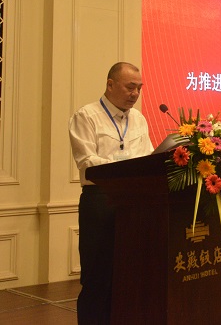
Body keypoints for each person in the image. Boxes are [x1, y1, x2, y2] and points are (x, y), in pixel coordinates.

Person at [68, 62, 154, 325]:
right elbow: (87, 161)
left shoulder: (139, 119)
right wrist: (127, 167)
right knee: (98, 277)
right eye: (130, 87)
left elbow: (149, 157)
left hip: (135, 202)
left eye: (139, 88)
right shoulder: (86, 116)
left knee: (130, 275)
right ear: (110, 84)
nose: (135, 94)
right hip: (100, 200)